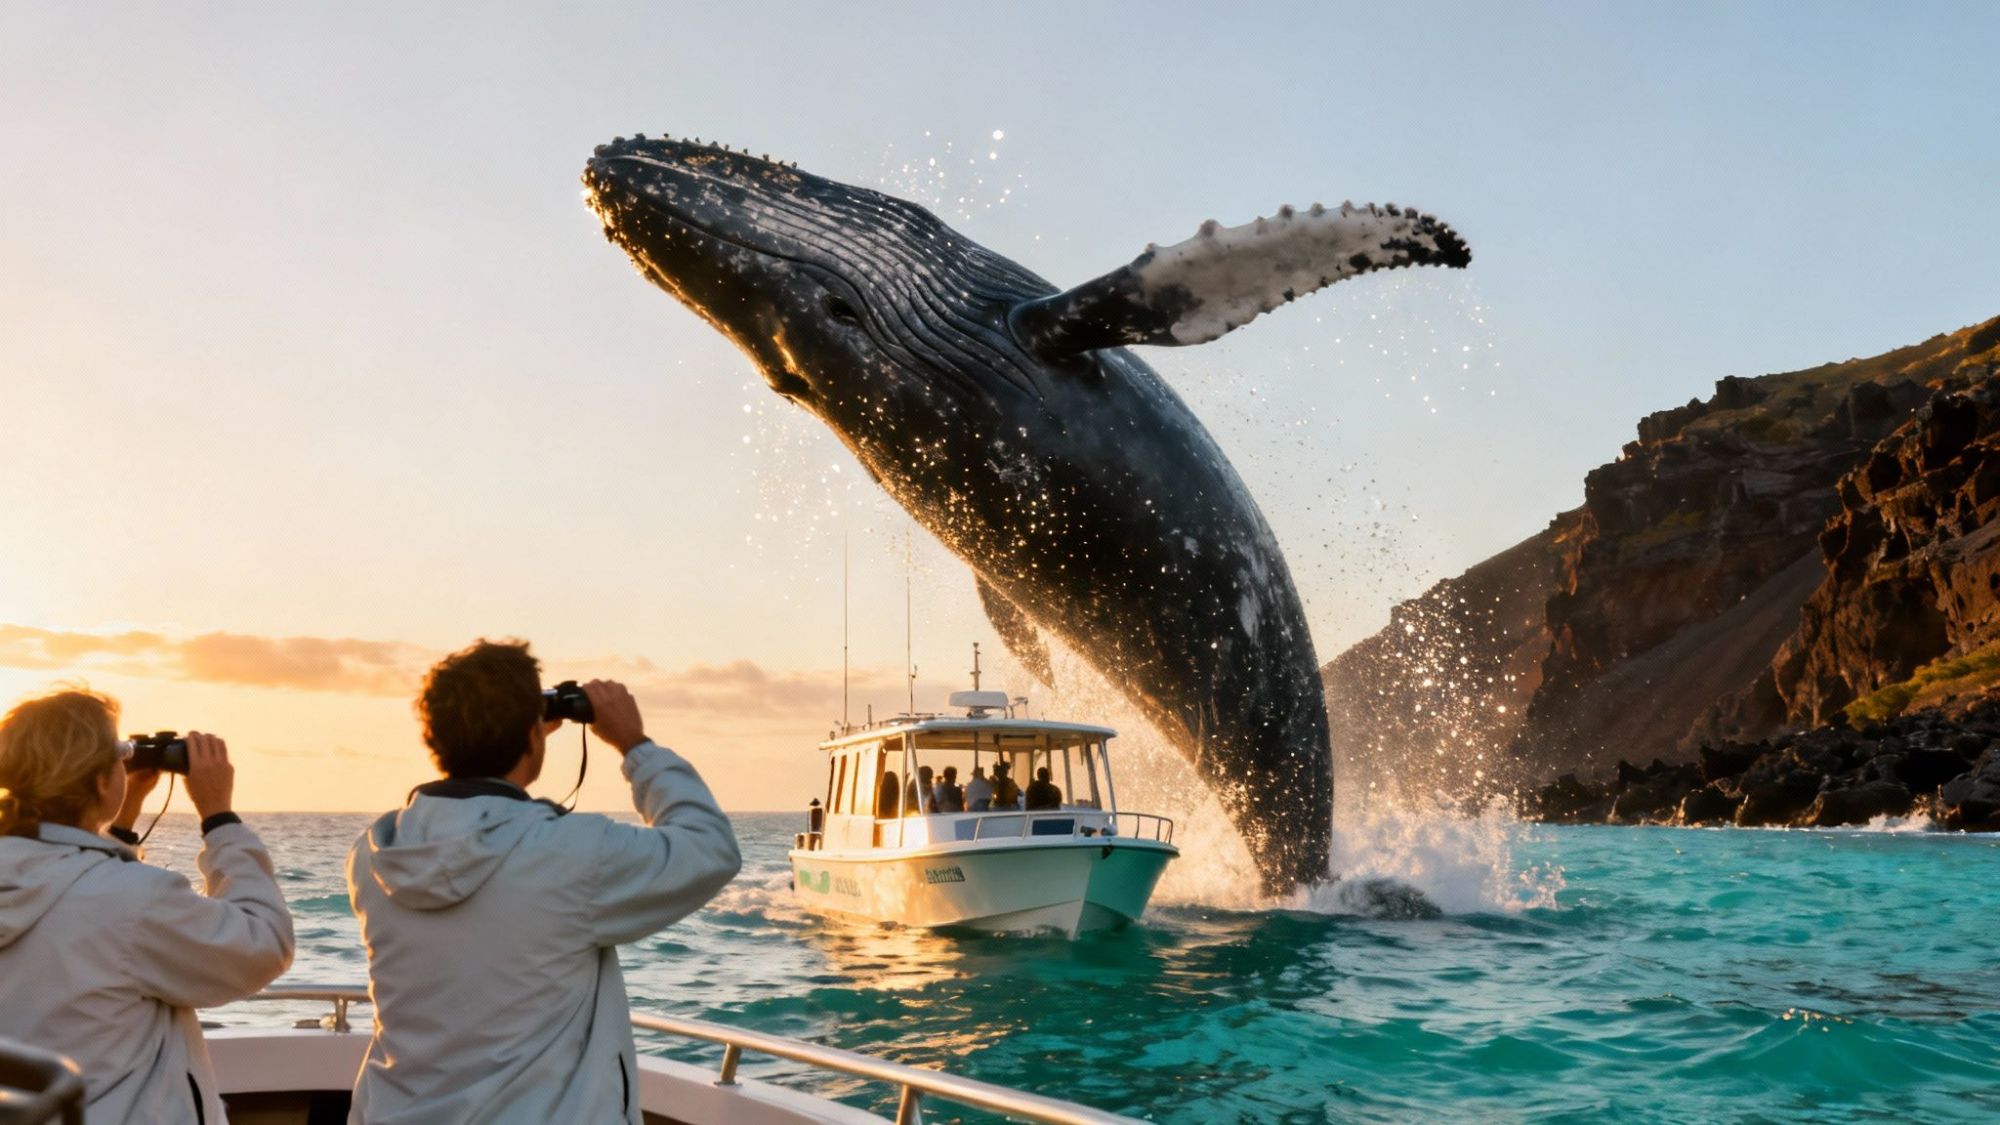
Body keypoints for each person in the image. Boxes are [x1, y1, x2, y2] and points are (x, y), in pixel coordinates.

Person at [347, 639, 741, 1125]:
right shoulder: (569, 855)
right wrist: (635, 746)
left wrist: (519, 724)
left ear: (435, 737)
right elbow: (710, 848)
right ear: (535, 736)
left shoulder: (374, 853)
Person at [0, 689, 294, 1125]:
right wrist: (220, 820)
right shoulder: (134, 900)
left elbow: (72, 889)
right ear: (100, 781)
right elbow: (263, 943)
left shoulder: (41, 882)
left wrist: (120, 816)